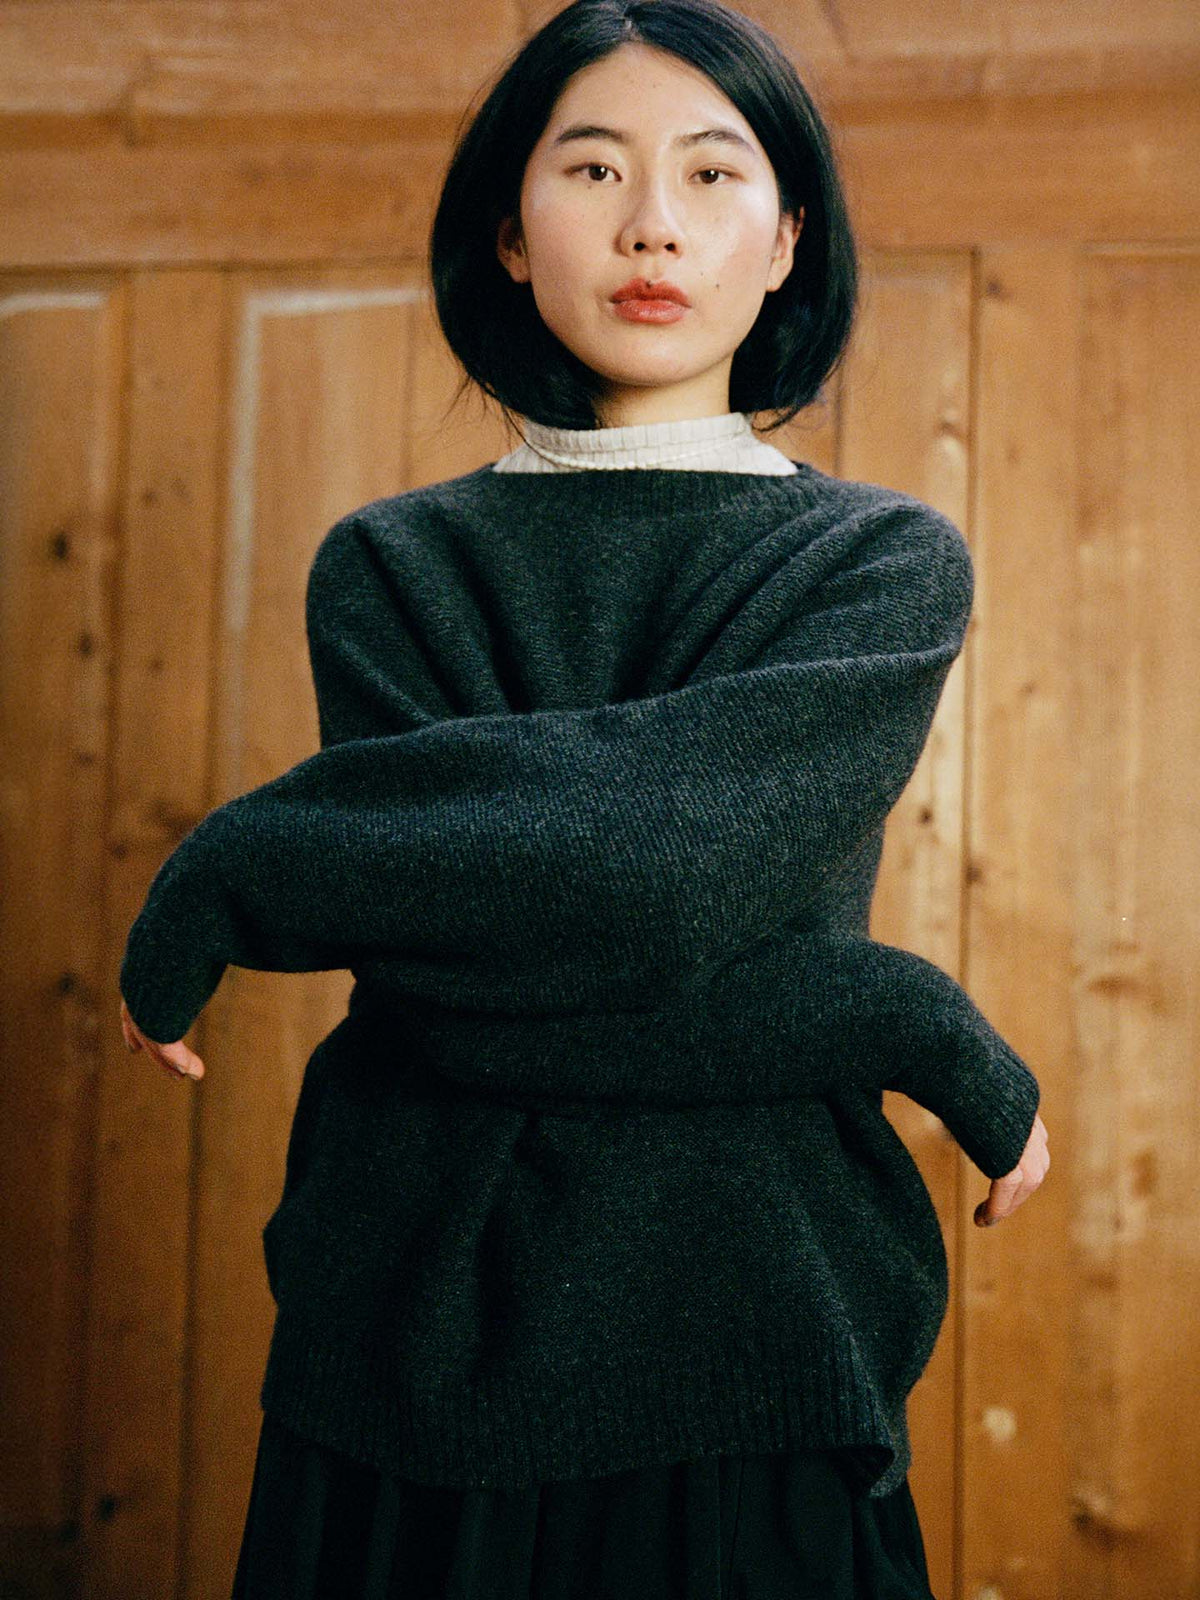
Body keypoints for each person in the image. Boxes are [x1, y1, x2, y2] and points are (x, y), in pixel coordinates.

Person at [118, 1, 1050, 1595]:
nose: (651, 225)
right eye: (594, 165)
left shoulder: (878, 565)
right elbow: (455, 978)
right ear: (506, 227)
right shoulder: (393, 568)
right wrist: (894, 1017)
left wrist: (266, 861)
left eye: (712, 173)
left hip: (760, 1319)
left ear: (785, 241)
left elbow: (644, 882)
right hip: (407, 1323)